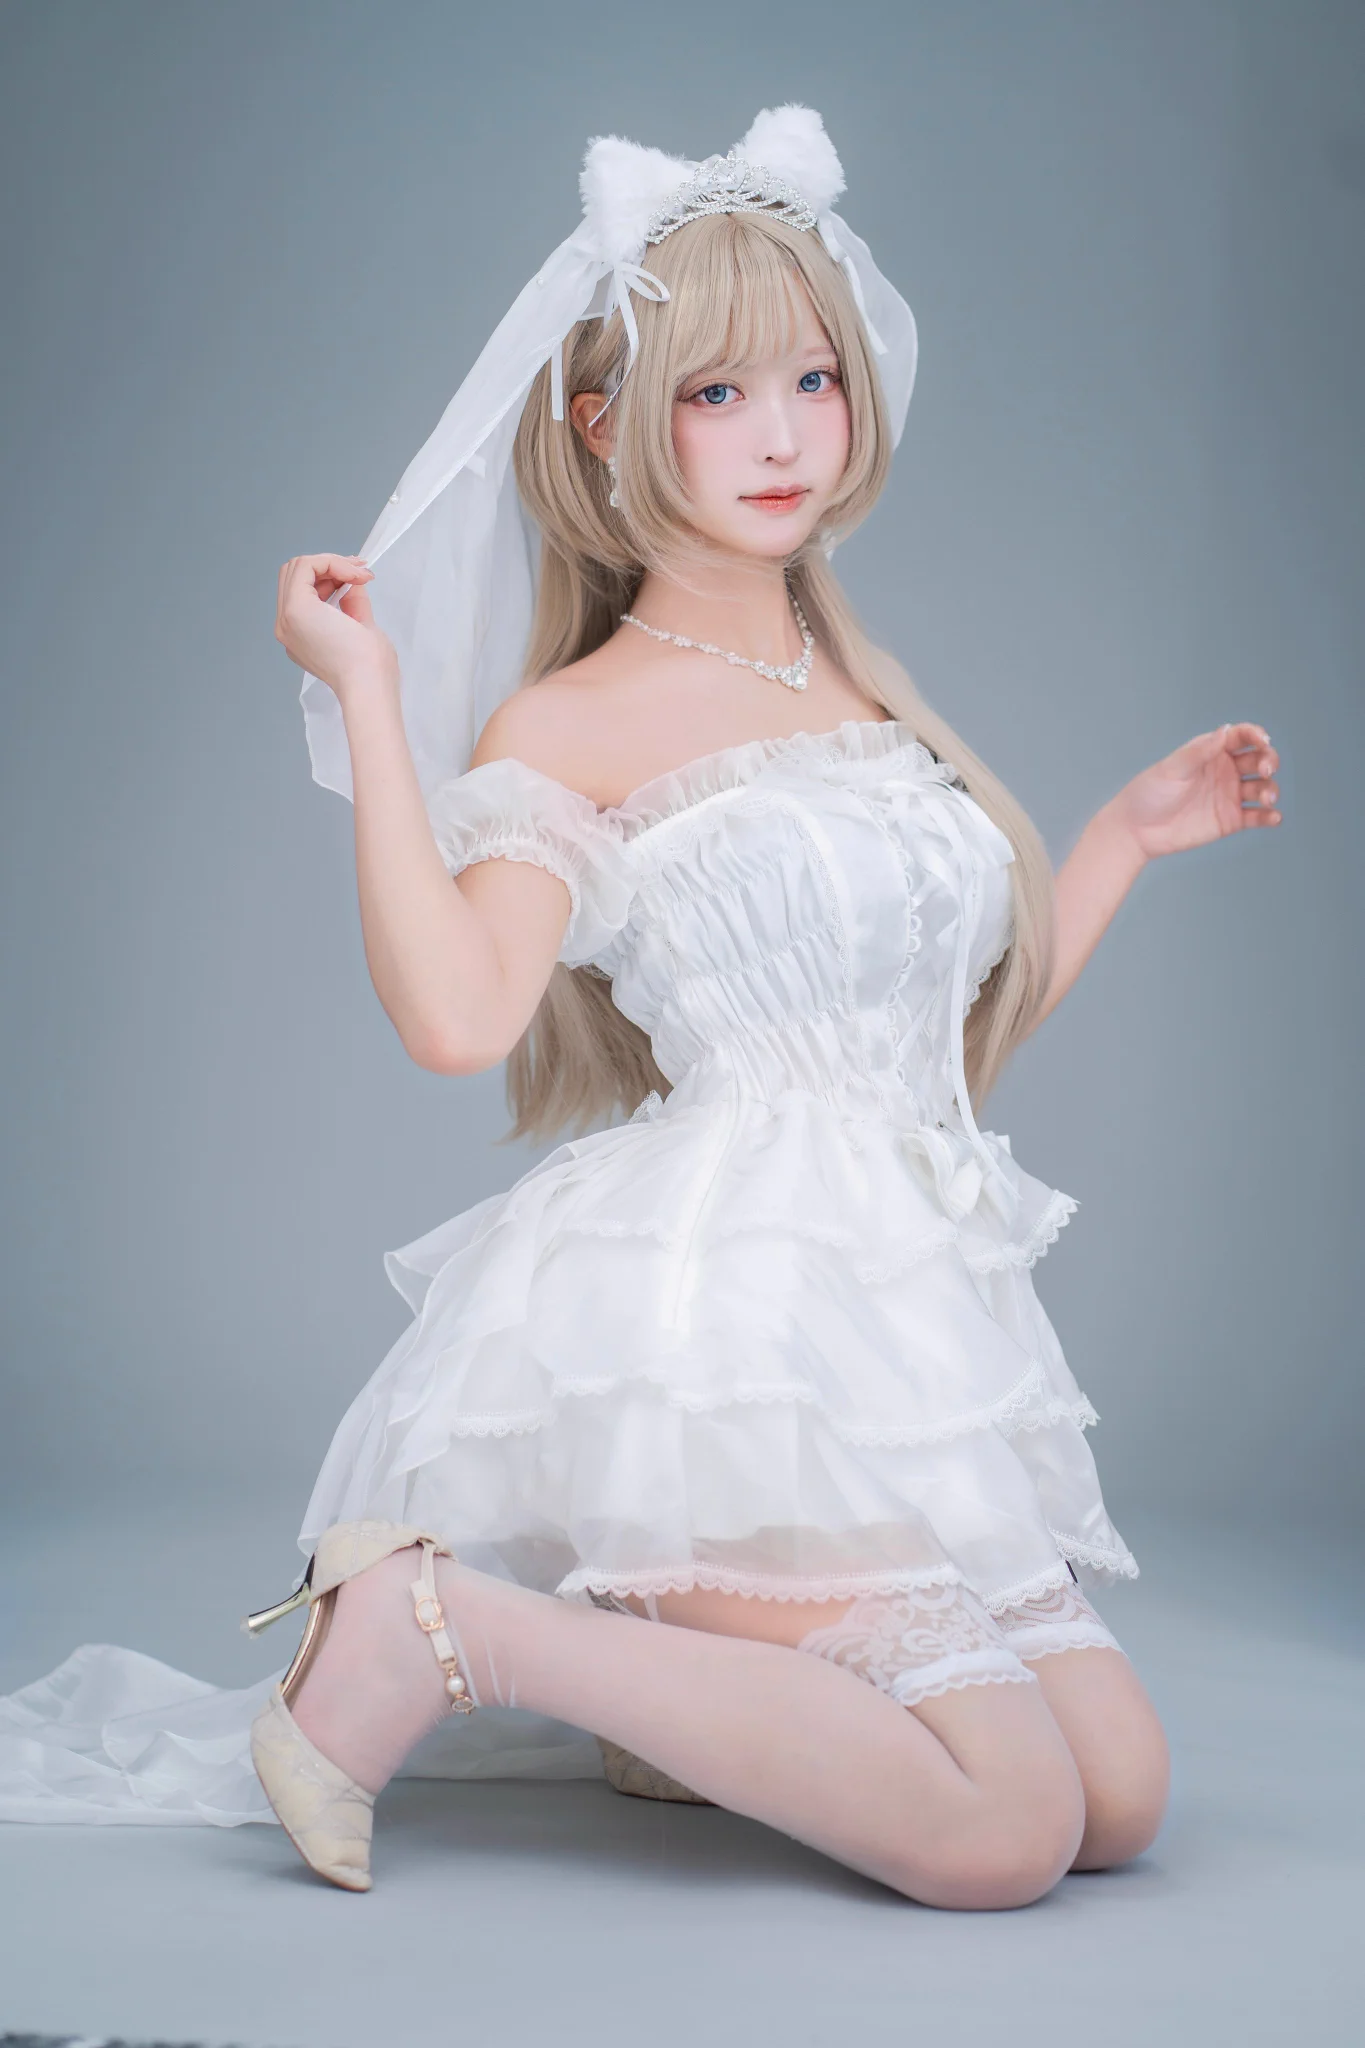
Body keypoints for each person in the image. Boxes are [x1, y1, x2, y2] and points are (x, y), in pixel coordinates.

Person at [3, 108, 1281, 1908]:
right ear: (605, 423)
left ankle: (676, 1700)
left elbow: (935, 1059)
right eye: (717, 393)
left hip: (897, 1324)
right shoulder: (576, 722)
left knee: (1122, 1801)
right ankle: (437, 1622)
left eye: (814, 382)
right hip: (730, 1329)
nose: (784, 436)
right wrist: (368, 694)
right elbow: (457, 1017)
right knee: (1008, 1836)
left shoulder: (856, 678)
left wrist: (1127, 841)